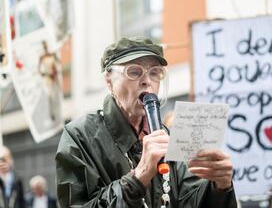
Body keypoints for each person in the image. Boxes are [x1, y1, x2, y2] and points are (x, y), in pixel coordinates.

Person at [56, 36, 237, 207]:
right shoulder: (79, 136)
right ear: (109, 81)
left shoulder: (171, 136)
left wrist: (220, 187)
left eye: (155, 73)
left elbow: (190, 201)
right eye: (134, 72)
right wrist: (137, 178)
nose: (147, 81)